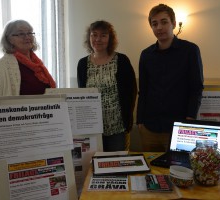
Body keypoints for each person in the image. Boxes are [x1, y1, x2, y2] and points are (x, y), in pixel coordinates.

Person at [0, 19, 56, 200]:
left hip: (40, 131)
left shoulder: (38, 64)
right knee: (19, 184)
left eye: (30, 32)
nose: (27, 37)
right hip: (17, 135)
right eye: (21, 33)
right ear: (9, 39)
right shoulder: (3, 65)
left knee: (38, 180)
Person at [137, 4, 204, 152]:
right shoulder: (146, 55)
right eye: (154, 24)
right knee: (151, 170)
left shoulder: (190, 51)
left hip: (179, 127)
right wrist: (140, 121)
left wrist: (190, 119)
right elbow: (143, 90)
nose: (159, 27)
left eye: (164, 22)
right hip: (150, 127)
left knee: (177, 170)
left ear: (173, 23)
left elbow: (196, 88)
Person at [77, 20, 137, 152]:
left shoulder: (122, 60)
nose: (98, 39)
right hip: (91, 128)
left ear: (110, 39)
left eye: (103, 35)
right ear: (89, 37)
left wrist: (128, 121)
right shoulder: (82, 64)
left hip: (116, 127)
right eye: (94, 35)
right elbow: (81, 96)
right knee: (93, 167)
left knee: (115, 165)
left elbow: (131, 92)